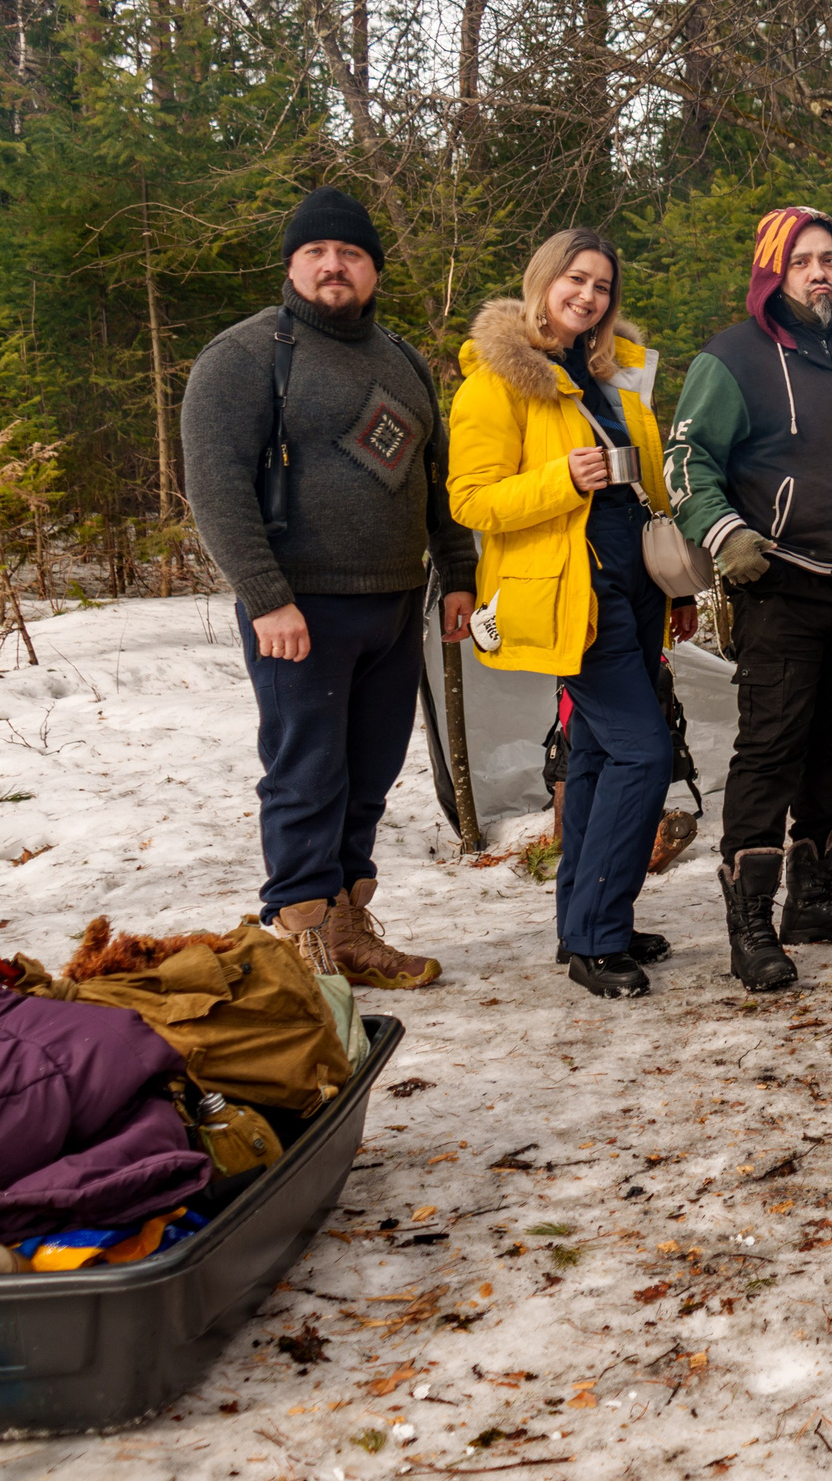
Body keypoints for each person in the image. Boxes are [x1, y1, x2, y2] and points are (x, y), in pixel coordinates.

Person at [181, 186, 471, 988]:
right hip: (298, 610)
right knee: (306, 772)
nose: (334, 266)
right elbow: (215, 487)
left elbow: (437, 476)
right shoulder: (242, 359)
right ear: (292, 265)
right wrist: (266, 595)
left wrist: (457, 573)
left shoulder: (403, 359)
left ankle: (347, 927)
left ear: (374, 268)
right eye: (317, 253)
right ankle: (303, 941)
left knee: (369, 772)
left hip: (394, 602)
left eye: (350, 254)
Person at [667, 207, 832, 992]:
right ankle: (751, 923)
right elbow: (687, 460)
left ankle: (813, 898)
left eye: (830, 260)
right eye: (803, 260)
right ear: (774, 270)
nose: (819, 273)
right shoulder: (733, 358)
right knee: (771, 748)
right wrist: (725, 534)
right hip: (783, 584)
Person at [448, 230, 680, 999]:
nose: (588, 295)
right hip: (574, 593)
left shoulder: (614, 377)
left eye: (603, 285)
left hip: (637, 583)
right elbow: (471, 499)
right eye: (575, 279)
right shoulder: (496, 380)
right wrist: (560, 479)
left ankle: (583, 915)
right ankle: (595, 938)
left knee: (596, 754)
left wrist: (676, 584)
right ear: (543, 280)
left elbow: (648, 484)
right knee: (642, 752)